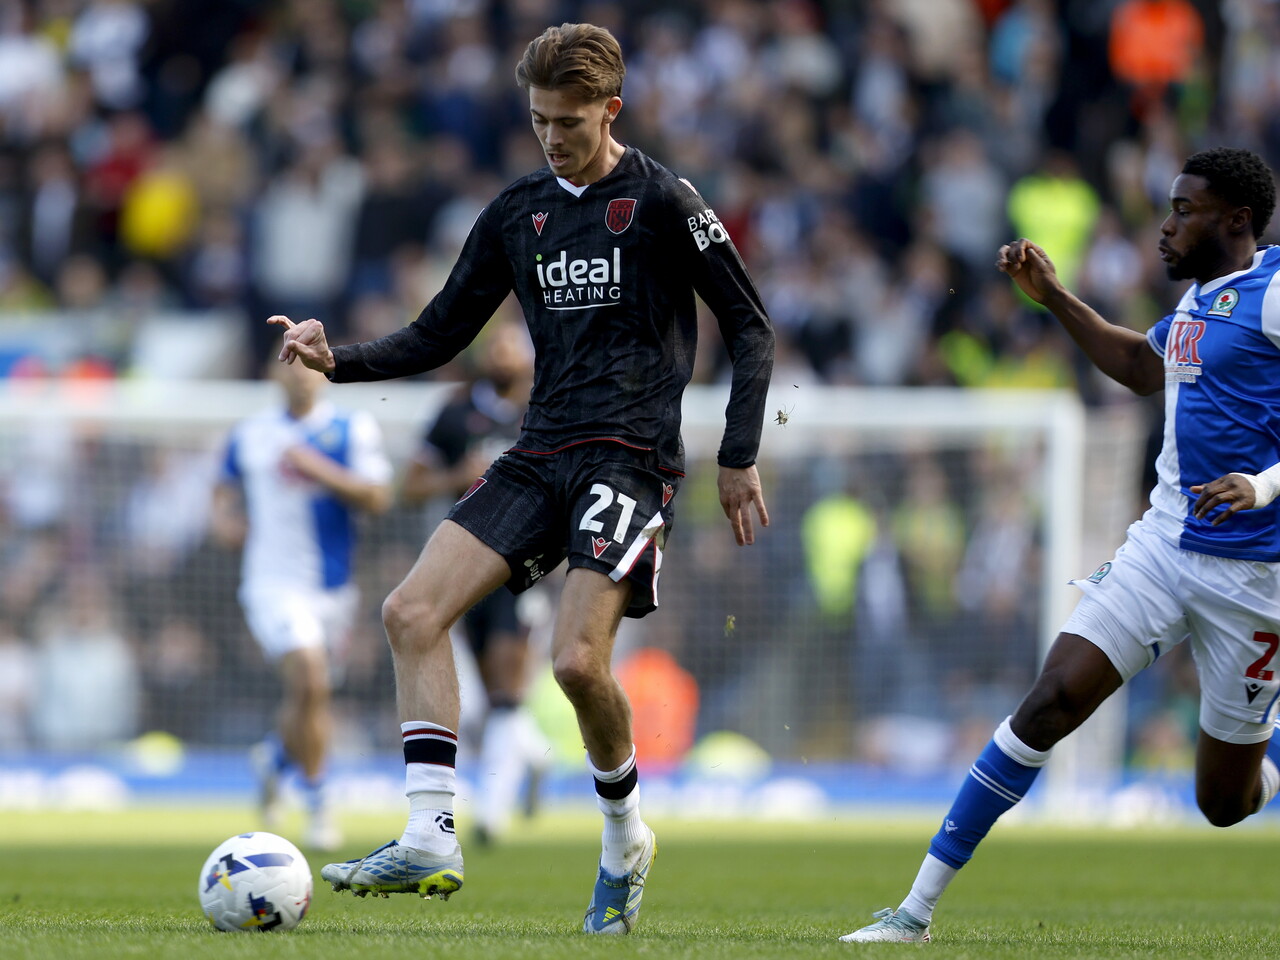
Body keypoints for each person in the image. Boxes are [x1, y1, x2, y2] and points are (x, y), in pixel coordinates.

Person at [270, 22, 775, 935]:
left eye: (570, 123)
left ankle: (625, 834)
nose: (552, 137)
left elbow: (750, 326)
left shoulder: (664, 199)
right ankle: (430, 834)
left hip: (631, 458)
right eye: (539, 120)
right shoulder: (517, 212)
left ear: (611, 110)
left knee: (575, 662)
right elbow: (437, 333)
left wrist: (738, 454)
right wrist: (332, 360)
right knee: (410, 614)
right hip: (540, 451)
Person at [841, 146, 1280, 943]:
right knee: (1051, 699)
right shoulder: (1196, 302)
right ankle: (914, 911)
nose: (1167, 223)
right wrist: (1053, 299)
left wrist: (1264, 484)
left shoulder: (1276, 291)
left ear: (1237, 220)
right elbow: (1140, 366)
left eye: (1185, 209)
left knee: (1224, 804)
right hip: (1164, 545)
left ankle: (1264, 759)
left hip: (1257, 577)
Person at [211, 356, 393, 851]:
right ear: (275, 374)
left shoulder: (351, 428)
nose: (297, 373)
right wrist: (224, 521)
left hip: (334, 591)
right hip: (271, 584)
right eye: (286, 364)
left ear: (322, 372)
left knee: (311, 696)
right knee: (311, 681)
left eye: (305, 364)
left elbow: (378, 498)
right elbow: (222, 489)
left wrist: (318, 469)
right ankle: (318, 804)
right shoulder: (252, 433)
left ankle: (274, 759)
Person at [400, 318, 552, 845]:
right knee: (481, 703)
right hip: (463, 569)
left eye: (518, 344)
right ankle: (533, 757)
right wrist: (455, 476)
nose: (506, 352)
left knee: (506, 692)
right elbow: (412, 485)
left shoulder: (547, 412)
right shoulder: (454, 413)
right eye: (500, 344)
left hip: (523, 571)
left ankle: (492, 814)